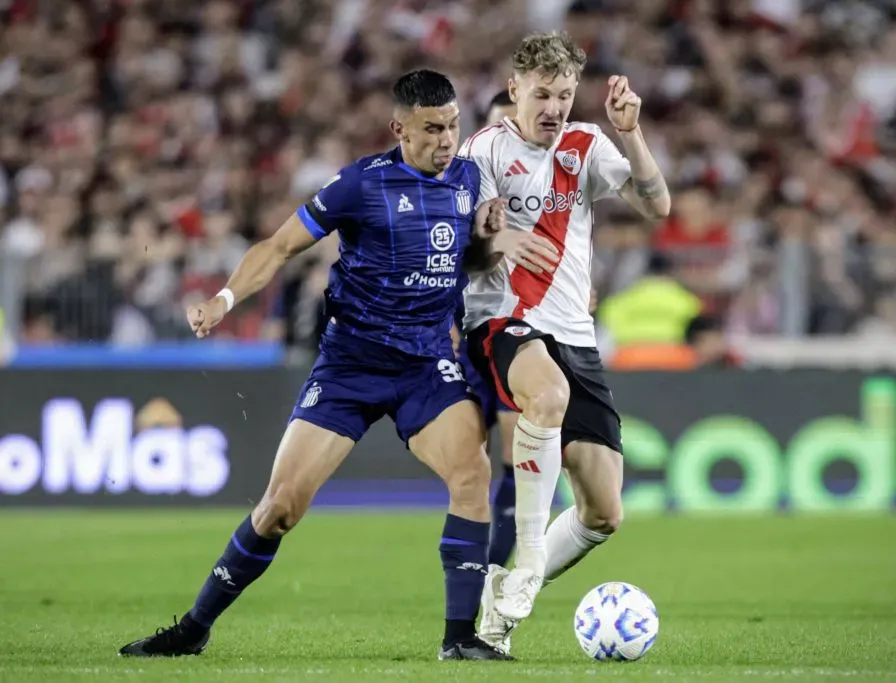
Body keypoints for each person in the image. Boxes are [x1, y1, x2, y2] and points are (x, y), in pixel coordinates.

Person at [117, 69, 556, 662]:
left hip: (426, 364)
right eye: (432, 129)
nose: (447, 139)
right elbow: (278, 247)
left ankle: (458, 639)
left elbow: (463, 259)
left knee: (472, 477)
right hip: (350, 367)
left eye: (453, 126)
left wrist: (483, 241)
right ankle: (194, 626)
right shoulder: (359, 185)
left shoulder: (468, 178)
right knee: (279, 509)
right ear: (400, 128)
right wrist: (224, 299)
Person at [458, 32, 671, 654]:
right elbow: (461, 252)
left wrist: (630, 132)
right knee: (544, 397)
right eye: (543, 93)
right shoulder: (485, 152)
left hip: (574, 334)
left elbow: (657, 205)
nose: (554, 106)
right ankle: (524, 555)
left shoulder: (586, 145)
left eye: (566, 93)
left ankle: (498, 608)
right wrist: (496, 243)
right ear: (516, 88)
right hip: (503, 320)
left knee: (604, 512)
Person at [453, 89, 522, 571]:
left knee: (516, 462)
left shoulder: (543, 182)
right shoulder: (461, 180)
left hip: (517, 331)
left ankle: (494, 574)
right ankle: (470, 574)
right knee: (469, 468)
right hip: (466, 331)